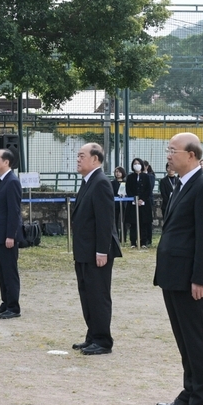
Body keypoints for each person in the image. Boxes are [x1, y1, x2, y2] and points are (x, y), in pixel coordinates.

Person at [154, 133, 203, 405]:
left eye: (173, 150)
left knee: (197, 340)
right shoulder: (181, 184)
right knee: (184, 340)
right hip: (173, 275)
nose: (168, 155)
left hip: (191, 278)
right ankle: (190, 391)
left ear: (191, 155)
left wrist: (200, 278)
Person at [71, 143, 121, 355]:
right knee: (87, 294)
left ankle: (102, 340)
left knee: (98, 295)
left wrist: (102, 250)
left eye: (82, 156)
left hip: (96, 252)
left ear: (95, 159)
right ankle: (92, 335)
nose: (78, 159)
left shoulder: (100, 182)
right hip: (84, 250)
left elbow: (105, 220)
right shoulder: (88, 182)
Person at [0, 148, 24, 318]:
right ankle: (6, 301)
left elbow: (14, 211)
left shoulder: (12, 182)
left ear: (6, 162)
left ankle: (13, 307)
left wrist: (11, 235)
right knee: (2, 271)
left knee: (9, 271)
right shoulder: (1, 181)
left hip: (7, 236)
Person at [125, 157, 153, 248]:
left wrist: (142, 199)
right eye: (135, 164)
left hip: (144, 203)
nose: (137, 165)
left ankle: (143, 242)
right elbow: (128, 189)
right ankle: (133, 242)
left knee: (143, 223)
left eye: (138, 163)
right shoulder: (130, 177)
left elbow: (148, 189)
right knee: (133, 223)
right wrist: (134, 199)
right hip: (133, 203)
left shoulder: (146, 176)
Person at [111, 166, 127, 242]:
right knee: (115, 220)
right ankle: (116, 237)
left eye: (119, 172)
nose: (117, 173)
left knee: (124, 221)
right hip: (115, 204)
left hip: (124, 203)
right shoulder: (112, 183)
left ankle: (123, 237)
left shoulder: (126, 182)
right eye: (116, 172)